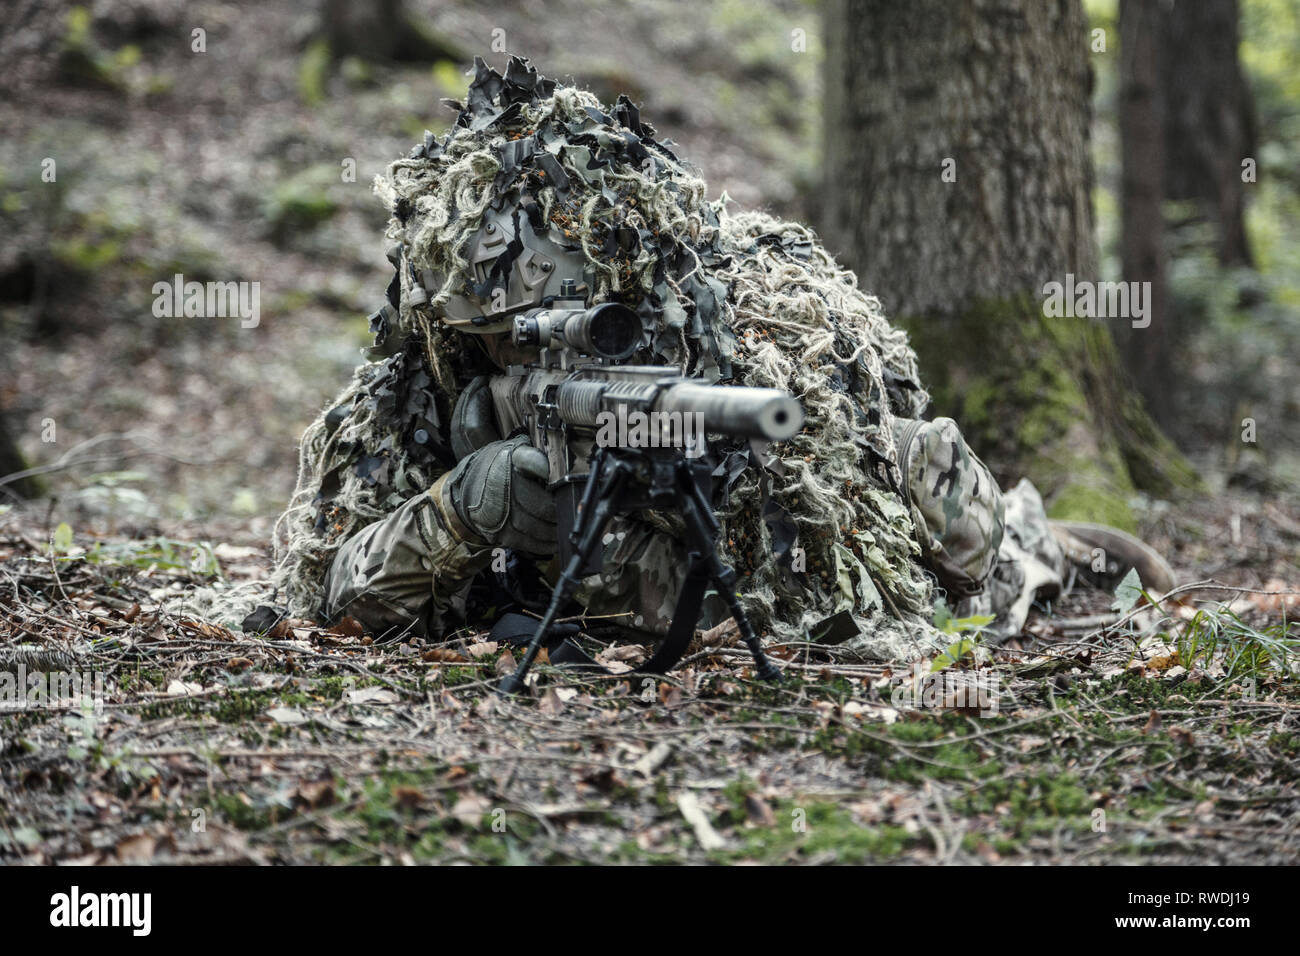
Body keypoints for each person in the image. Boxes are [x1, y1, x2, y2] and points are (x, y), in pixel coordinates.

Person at [271, 56, 1169, 661]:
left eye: (564, 319)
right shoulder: (408, 400)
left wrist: (692, 484)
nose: (533, 344)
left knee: (945, 507)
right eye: (508, 334)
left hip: (740, 567)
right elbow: (330, 589)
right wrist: (467, 508)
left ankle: (1040, 542)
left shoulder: (711, 335)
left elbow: (815, 566)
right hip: (601, 588)